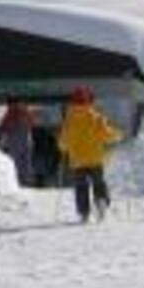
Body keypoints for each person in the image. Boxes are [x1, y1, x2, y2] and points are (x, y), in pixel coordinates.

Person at [58, 87, 120, 222]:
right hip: (95, 159)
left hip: (77, 161)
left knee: (81, 186)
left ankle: (84, 212)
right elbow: (106, 134)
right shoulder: (96, 117)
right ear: (88, 101)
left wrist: (63, 148)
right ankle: (101, 201)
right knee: (98, 182)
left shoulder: (69, 120)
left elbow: (63, 141)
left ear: (72, 102)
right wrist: (117, 135)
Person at [0, 99, 37, 187]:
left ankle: (20, 180)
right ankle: (26, 179)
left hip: (16, 137)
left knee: (16, 160)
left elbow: (5, 124)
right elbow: (32, 122)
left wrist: (1, 133)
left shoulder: (12, 111)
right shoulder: (24, 111)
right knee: (25, 159)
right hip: (25, 137)